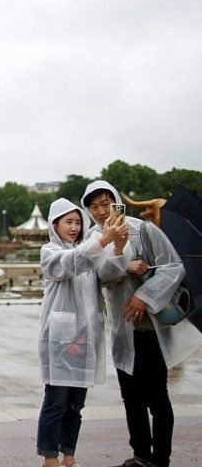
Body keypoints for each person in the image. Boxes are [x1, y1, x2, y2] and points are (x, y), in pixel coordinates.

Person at [82, 181, 202, 467]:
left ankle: (160, 459)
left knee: (157, 397)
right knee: (131, 397)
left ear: (116, 202)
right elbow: (94, 276)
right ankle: (140, 455)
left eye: (105, 203)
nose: (100, 211)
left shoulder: (144, 230)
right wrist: (125, 264)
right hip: (121, 330)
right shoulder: (93, 238)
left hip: (149, 329)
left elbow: (173, 267)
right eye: (94, 206)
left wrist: (143, 296)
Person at [36, 197, 127, 467]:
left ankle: (69, 457)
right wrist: (101, 241)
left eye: (78, 222)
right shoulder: (50, 251)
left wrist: (119, 248)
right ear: (55, 224)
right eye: (68, 222)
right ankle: (50, 458)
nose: (74, 227)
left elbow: (109, 273)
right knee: (56, 402)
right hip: (61, 340)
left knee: (76, 405)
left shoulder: (90, 249)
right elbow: (70, 264)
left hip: (86, 339)